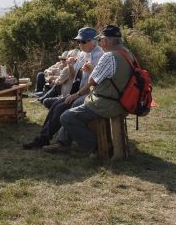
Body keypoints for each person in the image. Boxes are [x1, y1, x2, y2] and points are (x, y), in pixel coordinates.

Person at [46, 25, 135, 154]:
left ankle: (97, 147)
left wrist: (89, 71)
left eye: (101, 40)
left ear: (106, 41)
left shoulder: (109, 56)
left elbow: (92, 81)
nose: (100, 43)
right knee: (74, 104)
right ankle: (63, 142)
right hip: (125, 99)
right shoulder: (128, 53)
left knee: (67, 116)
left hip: (110, 102)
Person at [23, 27, 103, 150]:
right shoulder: (83, 54)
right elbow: (71, 77)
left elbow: (96, 80)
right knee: (55, 106)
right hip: (79, 92)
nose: (79, 44)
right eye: (78, 41)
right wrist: (70, 65)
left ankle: (45, 139)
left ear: (92, 41)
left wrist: (77, 94)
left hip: (90, 93)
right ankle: (43, 137)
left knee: (61, 107)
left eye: (82, 41)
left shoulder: (99, 55)